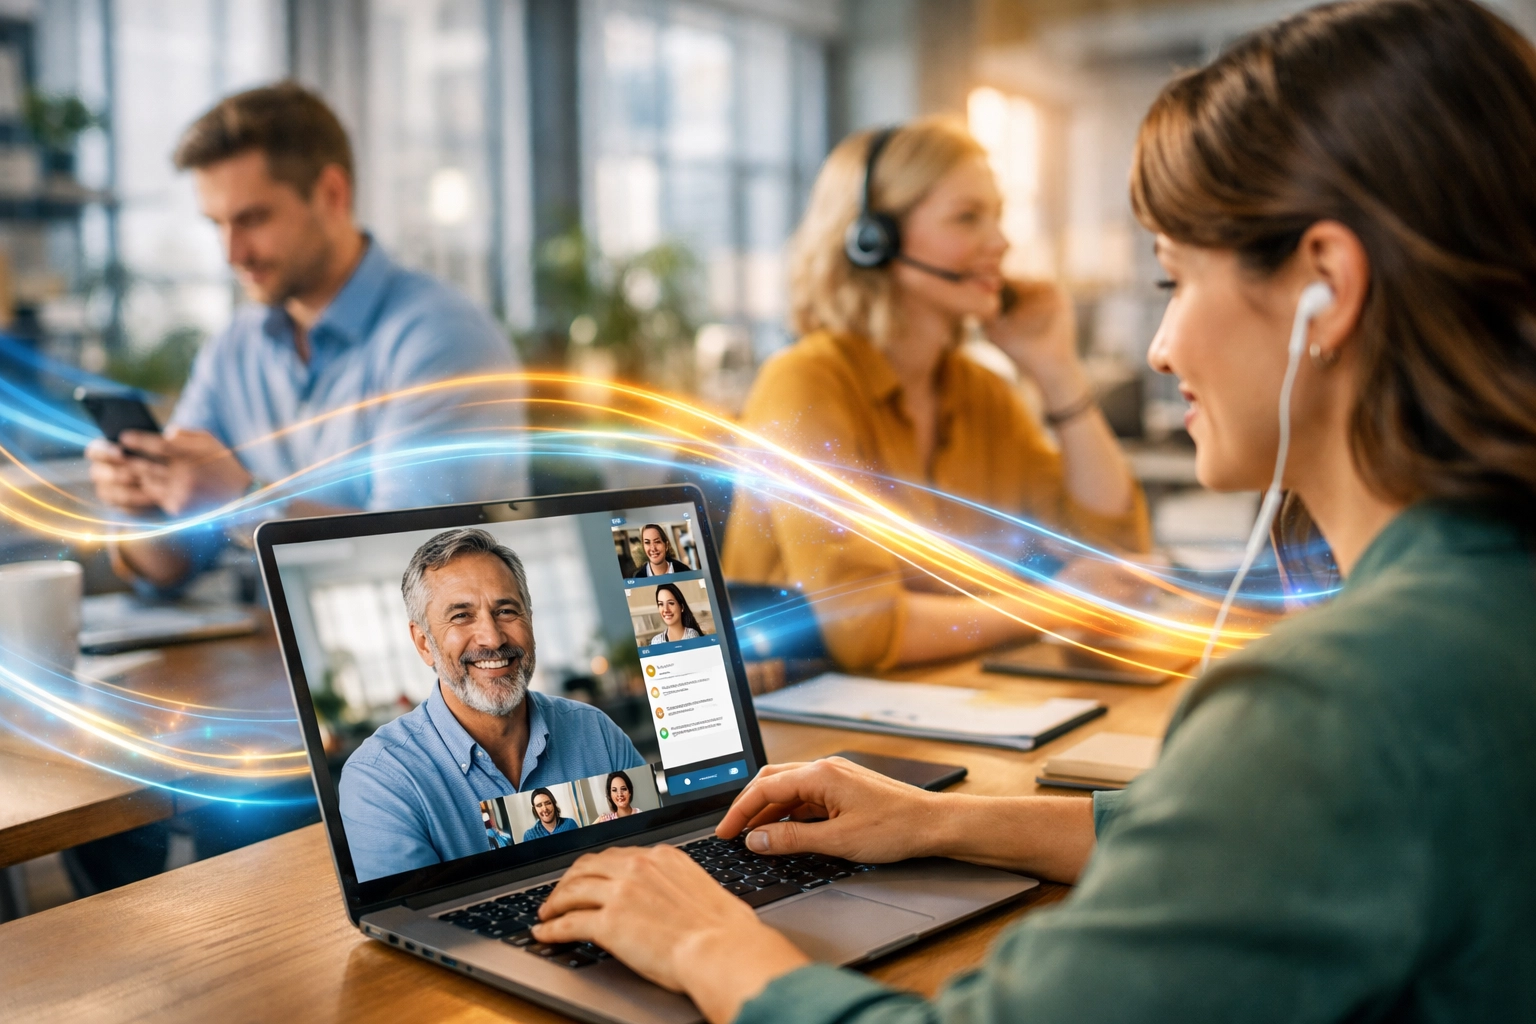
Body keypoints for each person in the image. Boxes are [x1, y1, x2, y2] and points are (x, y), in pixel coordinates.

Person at [528, 2, 1536, 1020]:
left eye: (1173, 279)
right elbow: (1265, 829)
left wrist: (711, 942)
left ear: (1327, 285)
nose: (1159, 346)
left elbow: (1118, 560)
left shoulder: (1331, 705)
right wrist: (943, 821)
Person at [720, 116, 1150, 672]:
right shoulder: (804, 383)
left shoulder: (981, 392)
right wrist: (1054, 604)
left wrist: (1057, 369)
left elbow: (1112, 550)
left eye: (998, 216)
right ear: (872, 240)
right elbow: (865, 629)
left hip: (942, 703)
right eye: (968, 217)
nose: (1000, 243)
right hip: (807, 730)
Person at [85, 82, 527, 593]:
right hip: (258, 660)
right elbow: (170, 566)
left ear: (332, 195)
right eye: (217, 225)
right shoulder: (233, 349)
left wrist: (243, 502)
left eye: (252, 219)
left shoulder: (443, 342)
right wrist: (143, 497)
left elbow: (416, 572)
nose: (232, 254)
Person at [338, 528, 644, 881]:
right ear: (424, 643)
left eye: (506, 610)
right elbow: (415, 924)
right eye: (461, 616)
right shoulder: (380, 778)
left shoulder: (596, 731)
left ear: (530, 619)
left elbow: (655, 859)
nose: (493, 637)